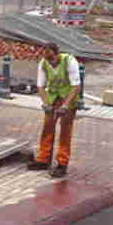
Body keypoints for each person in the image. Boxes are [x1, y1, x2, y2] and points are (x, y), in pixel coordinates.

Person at [28, 42, 80, 178]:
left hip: (68, 97)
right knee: (47, 127)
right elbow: (40, 86)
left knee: (65, 130)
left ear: (57, 54)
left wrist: (65, 105)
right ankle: (43, 159)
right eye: (48, 59)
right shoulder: (44, 63)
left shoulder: (69, 61)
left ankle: (62, 163)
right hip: (53, 97)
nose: (51, 62)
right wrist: (46, 104)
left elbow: (76, 86)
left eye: (52, 59)